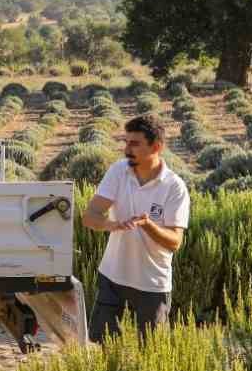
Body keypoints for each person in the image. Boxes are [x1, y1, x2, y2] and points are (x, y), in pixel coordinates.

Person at [80, 114, 190, 343]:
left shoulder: (174, 187)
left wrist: (148, 225)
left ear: (156, 146)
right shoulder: (119, 171)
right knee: (103, 345)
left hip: (152, 282)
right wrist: (114, 225)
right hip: (113, 275)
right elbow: (89, 217)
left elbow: (175, 242)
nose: (127, 149)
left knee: (151, 352)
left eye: (135, 143)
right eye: (126, 142)